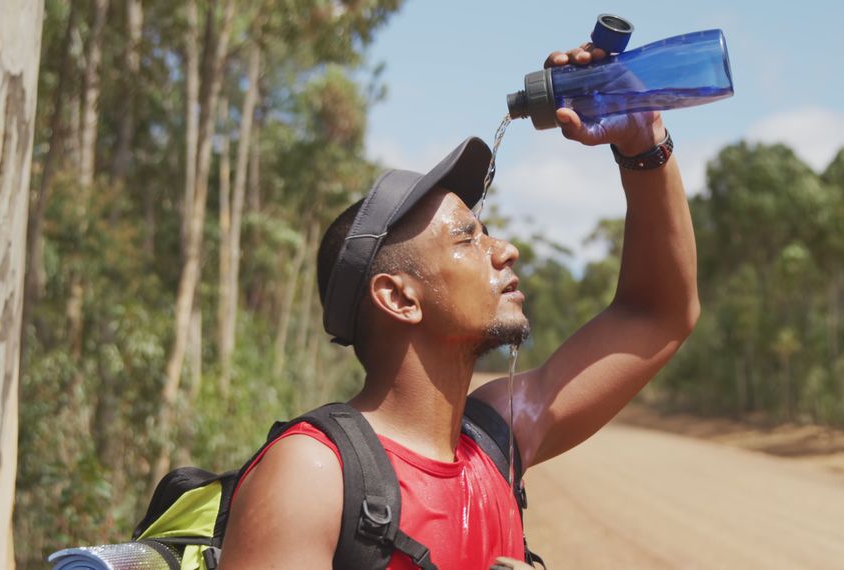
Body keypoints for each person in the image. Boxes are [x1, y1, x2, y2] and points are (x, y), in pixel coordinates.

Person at [219, 41, 699, 570]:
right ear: (399, 297)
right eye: (467, 239)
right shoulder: (315, 473)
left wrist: (643, 142)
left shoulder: (498, 438)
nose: (505, 249)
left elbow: (657, 315)